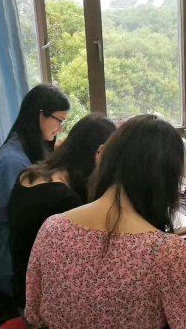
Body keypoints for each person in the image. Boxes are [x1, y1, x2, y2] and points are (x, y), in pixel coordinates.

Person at [25, 115, 186, 329]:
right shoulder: (166, 252)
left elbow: (34, 311)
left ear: (107, 159)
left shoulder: (52, 227)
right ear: (165, 178)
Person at [9, 114, 116, 311]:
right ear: (96, 154)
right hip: (43, 308)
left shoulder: (30, 174)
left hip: (23, 290)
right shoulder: (64, 200)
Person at [0, 84, 70, 296]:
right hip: (13, 261)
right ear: (41, 115)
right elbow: (22, 219)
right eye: (59, 121)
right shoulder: (10, 161)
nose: (60, 128)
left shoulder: (33, 149)